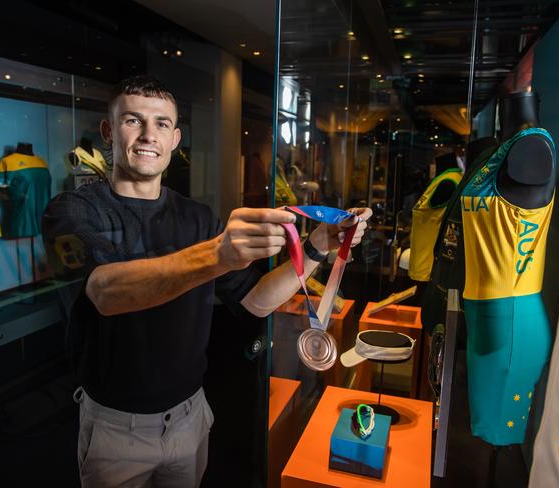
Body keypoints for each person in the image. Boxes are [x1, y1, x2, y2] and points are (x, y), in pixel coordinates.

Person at [41, 75, 371, 488]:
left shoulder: (197, 218)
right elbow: (106, 292)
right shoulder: (73, 211)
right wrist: (217, 254)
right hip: (115, 429)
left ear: (175, 138)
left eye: (161, 124)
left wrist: (317, 249)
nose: (148, 135)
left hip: (190, 416)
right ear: (109, 131)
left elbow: (254, 300)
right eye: (133, 121)